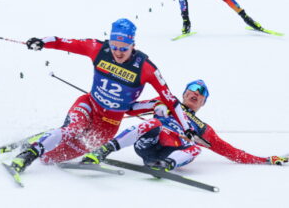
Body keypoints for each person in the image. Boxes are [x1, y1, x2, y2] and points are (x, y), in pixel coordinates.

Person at [10, 18, 191, 174]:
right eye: (114, 47)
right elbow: (66, 42)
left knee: (49, 159)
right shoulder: (98, 49)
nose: (118, 52)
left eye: (124, 48)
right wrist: (42, 42)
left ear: (133, 46)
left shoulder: (146, 68)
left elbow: (171, 100)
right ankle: (28, 154)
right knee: (73, 128)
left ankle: (47, 144)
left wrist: (187, 128)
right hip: (89, 104)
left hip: (108, 124)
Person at [83, 80, 288, 170]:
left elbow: (231, 152)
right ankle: (104, 150)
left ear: (203, 103)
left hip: (169, 152)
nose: (196, 92)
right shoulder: (166, 101)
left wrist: (266, 160)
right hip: (148, 142)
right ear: (184, 93)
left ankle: (167, 165)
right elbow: (128, 108)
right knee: (153, 123)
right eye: (192, 88)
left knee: (196, 147)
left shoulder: (202, 127)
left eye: (201, 93)